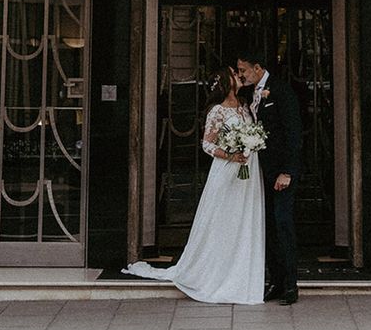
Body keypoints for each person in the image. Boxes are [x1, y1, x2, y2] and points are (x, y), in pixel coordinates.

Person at [121, 66, 265, 304]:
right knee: (222, 222)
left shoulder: (245, 105)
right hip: (227, 171)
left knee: (243, 222)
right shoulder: (217, 111)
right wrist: (231, 154)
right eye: (234, 74)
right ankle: (214, 274)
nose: (239, 76)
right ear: (225, 82)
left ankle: (242, 272)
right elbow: (207, 145)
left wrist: (251, 144)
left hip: (248, 174)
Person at [237, 52, 302, 306]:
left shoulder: (281, 92)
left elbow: (293, 132)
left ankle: (290, 285)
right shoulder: (249, 94)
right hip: (260, 173)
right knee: (268, 227)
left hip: (281, 172)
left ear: (257, 67)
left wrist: (288, 171)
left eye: (243, 69)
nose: (241, 74)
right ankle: (275, 280)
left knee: (283, 223)